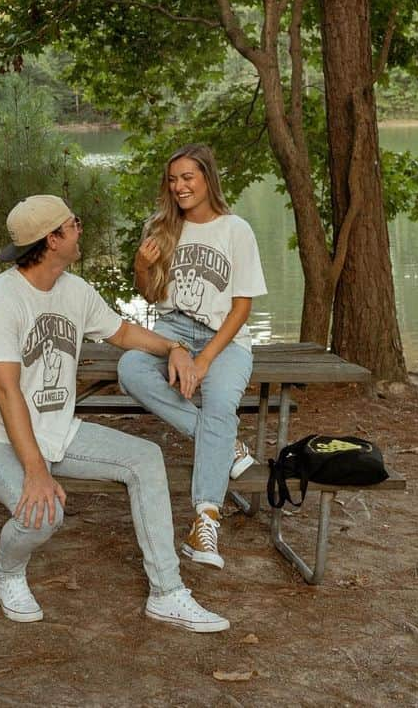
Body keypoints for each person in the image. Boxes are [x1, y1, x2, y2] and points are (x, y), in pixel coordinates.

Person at [0, 193, 229, 633]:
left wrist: (174, 346)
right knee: (43, 515)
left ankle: (167, 593)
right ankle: (6, 572)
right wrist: (35, 471)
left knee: (145, 458)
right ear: (52, 240)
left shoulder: (74, 290)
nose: (79, 229)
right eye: (73, 224)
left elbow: (122, 331)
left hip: (58, 433)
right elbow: (7, 392)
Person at [117, 144, 268, 571]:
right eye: (173, 179)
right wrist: (141, 266)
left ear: (207, 178)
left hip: (223, 336)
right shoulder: (161, 226)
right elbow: (149, 295)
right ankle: (227, 447)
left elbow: (241, 308)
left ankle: (205, 521)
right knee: (130, 368)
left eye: (188, 177)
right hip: (172, 331)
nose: (179, 186)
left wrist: (205, 361)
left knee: (220, 402)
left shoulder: (236, 230)